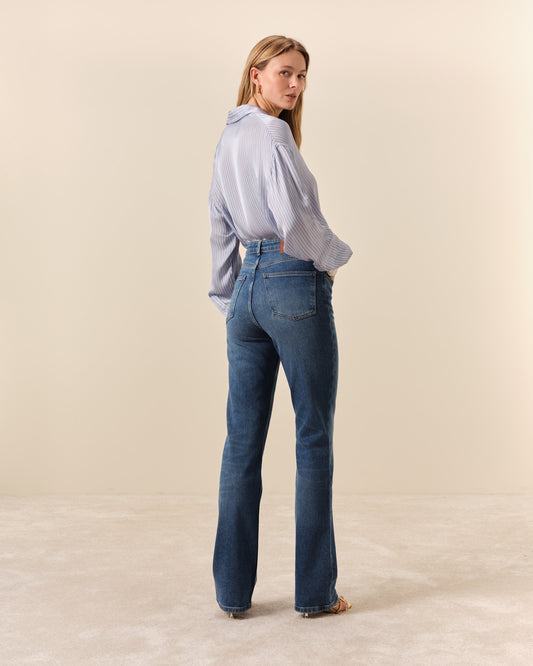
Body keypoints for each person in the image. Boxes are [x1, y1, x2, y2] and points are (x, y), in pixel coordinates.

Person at [208, 35, 353, 618]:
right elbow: (296, 219)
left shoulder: (228, 138)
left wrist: (228, 294)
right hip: (293, 282)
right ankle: (315, 595)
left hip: (246, 287)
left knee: (241, 443)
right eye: (285, 73)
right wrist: (331, 260)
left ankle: (231, 594)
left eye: (302, 76)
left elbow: (219, 221)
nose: (295, 85)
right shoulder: (272, 135)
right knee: (313, 436)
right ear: (256, 74)